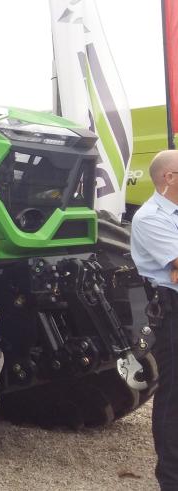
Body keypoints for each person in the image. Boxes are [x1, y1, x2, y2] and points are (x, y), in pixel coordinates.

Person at [130, 149, 178, 490]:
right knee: (174, 397)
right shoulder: (151, 218)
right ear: (169, 178)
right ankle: (171, 479)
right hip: (172, 310)